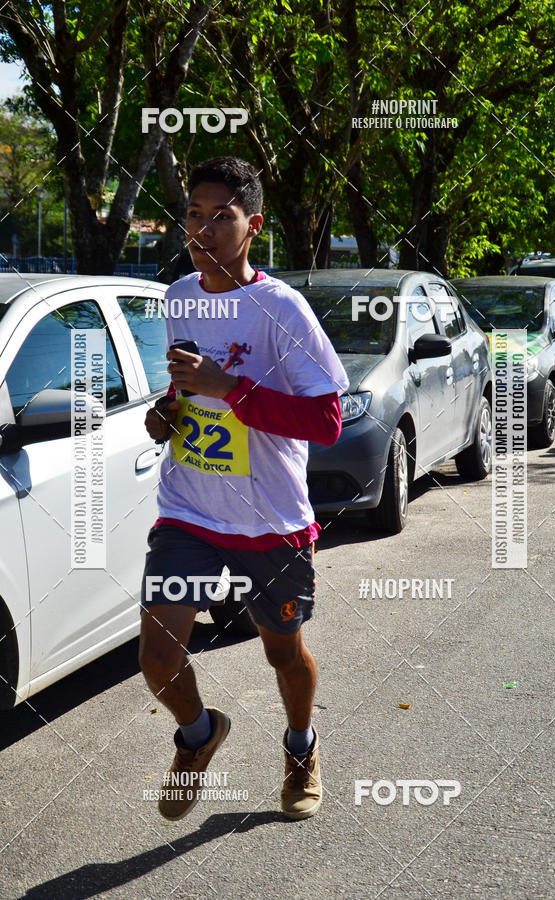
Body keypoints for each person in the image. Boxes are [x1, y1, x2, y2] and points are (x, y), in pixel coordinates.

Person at [140, 156, 349, 821]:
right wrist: (167, 410)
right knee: (157, 652)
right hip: (190, 510)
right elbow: (184, 386)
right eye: (193, 216)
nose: (202, 230)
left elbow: (326, 421)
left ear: (253, 225)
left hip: (272, 520)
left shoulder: (280, 308)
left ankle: (300, 746)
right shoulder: (176, 297)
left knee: (282, 652)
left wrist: (228, 389)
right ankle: (199, 736)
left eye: (220, 217)